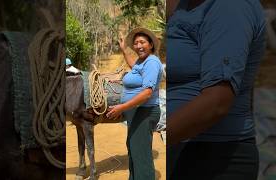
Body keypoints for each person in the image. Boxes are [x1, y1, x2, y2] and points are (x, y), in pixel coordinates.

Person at [167, 0, 266, 179]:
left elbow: (216, 103)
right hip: (184, 150)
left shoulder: (229, 7)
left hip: (214, 157)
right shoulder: (186, 7)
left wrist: (156, 137)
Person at [106, 28, 163, 180]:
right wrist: (124, 49)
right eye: (136, 43)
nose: (138, 46)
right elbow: (133, 65)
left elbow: (147, 93)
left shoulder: (151, 62)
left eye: (142, 42)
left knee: (140, 153)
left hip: (145, 111)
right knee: (133, 148)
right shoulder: (141, 62)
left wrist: (121, 107)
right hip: (137, 112)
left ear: (151, 44)